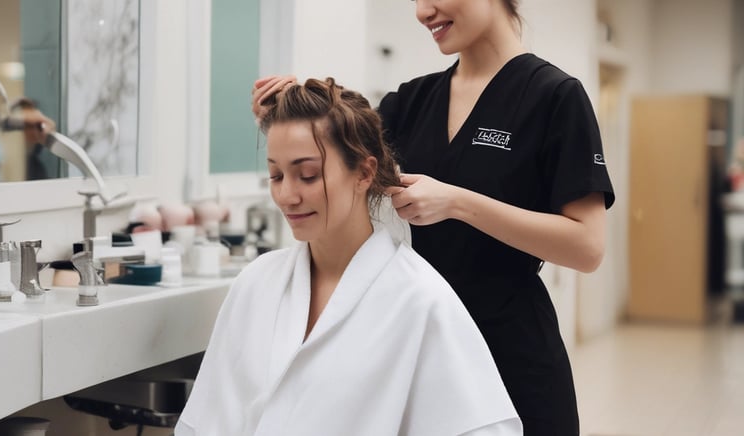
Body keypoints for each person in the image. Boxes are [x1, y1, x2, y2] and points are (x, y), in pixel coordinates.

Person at [252, 1, 616, 435]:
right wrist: (293, 123)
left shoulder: (554, 96)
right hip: (417, 347)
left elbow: (587, 247)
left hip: (512, 350)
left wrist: (459, 203)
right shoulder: (410, 101)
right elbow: (346, 172)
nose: (423, 11)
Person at [176, 78, 522, 436]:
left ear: (365, 172)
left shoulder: (420, 300)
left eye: (307, 175)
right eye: (276, 175)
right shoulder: (256, 283)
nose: (287, 195)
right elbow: (205, 423)